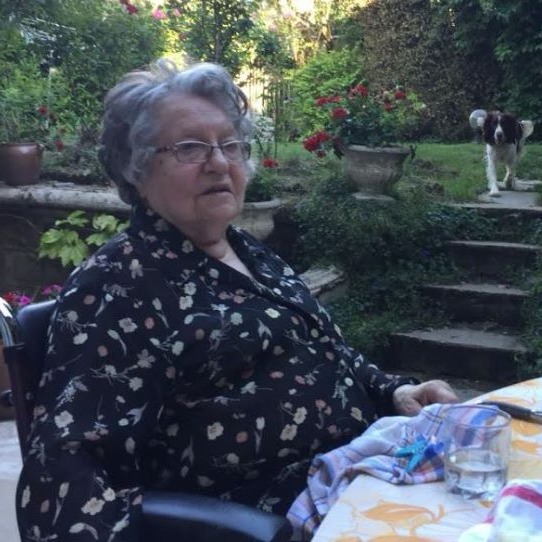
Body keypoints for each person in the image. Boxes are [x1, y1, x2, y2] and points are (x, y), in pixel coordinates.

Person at [16, 59, 458, 541]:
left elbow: (322, 350)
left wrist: (392, 391)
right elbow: (65, 470)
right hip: (282, 518)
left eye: (230, 145)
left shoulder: (248, 251)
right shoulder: (118, 285)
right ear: (135, 168)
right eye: (189, 147)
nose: (220, 163)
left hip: (365, 476)